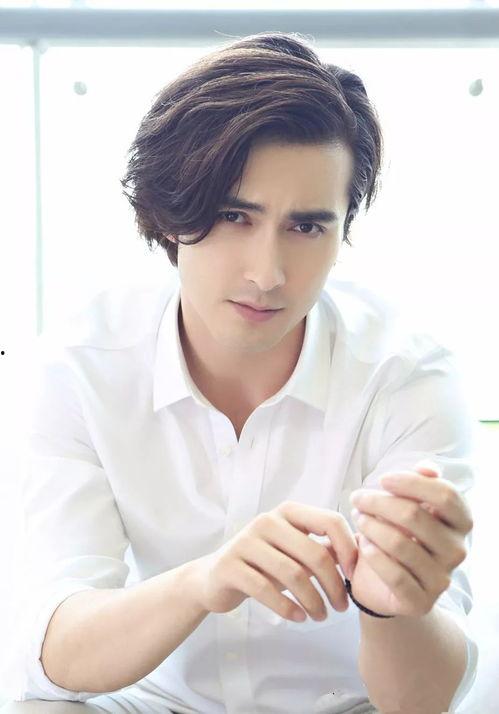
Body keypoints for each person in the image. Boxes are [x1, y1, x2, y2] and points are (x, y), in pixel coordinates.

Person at [1, 31, 478, 714]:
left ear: (342, 230)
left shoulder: (406, 377)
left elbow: (425, 702)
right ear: (169, 214)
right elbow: (50, 654)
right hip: (148, 702)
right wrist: (203, 582)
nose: (268, 273)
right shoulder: (80, 367)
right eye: (234, 216)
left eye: (306, 227)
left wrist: (389, 605)